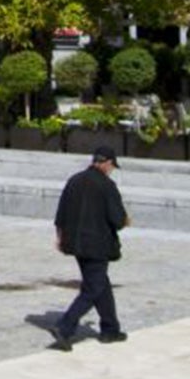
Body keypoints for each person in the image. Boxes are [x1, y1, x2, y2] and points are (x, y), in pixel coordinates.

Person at [48, 147, 129, 350]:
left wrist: (60, 238)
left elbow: (61, 214)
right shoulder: (106, 185)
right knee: (93, 288)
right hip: (97, 245)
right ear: (107, 163)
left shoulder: (74, 180)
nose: (111, 170)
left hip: (75, 243)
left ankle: (110, 329)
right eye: (111, 166)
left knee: (101, 284)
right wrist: (126, 220)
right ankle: (65, 326)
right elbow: (117, 219)